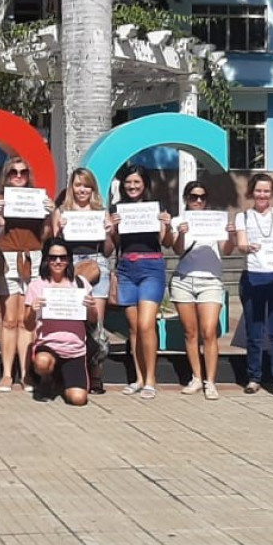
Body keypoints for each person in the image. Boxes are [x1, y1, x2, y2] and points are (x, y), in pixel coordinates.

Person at [108, 166, 173, 399]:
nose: (132, 187)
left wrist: (167, 224)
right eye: (128, 183)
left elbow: (166, 242)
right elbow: (112, 245)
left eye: (136, 182)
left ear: (144, 183)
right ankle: (138, 377)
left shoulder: (157, 207)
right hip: (126, 268)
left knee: (147, 324)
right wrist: (111, 229)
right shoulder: (117, 209)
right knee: (134, 328)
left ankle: (151, 380)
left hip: (151, 267)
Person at [232, 173, 273, 400]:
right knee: (255, 331)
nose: (262, 195)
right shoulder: (244, 217)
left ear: (272, 193)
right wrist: (247, 246)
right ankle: (254, 378)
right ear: (252, 192)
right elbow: (240, 244)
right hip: (254, 276)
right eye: (258, 190)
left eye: (266, 191)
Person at [0, 156, 53, 392]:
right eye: (13, 172)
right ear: (6, 176)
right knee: (9, 320)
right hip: (6, 259)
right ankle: (7, 374)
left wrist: (49, 214)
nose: (18, 176)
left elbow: (47, 235)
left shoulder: (38, 199)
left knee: (28, 320)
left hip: (33, 258)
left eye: (23, 172)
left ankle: (26, 375)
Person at [48, 168, 110, 394]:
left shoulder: (101, 212)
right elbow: (54, 245)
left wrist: (110, 232)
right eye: (78, 185)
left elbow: (109, 249)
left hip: (97, 263)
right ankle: (70, 373)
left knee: (96, 322)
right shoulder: (62, 211)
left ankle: (96, 374)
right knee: (71, 320)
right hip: (70, 264)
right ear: (71, 187)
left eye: (86, 185)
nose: (82, 189)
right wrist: (60, 230)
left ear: (92, 188)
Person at [170, 178, 232, 399]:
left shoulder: (215, 220)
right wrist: (182, 233)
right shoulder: (179, 220)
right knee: (190, 332)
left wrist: (230, 234)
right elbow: (177, 250)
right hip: (184, 280)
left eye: (201, 197)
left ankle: (211, 381)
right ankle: (196, 377)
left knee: (209, 331)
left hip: (211, 280)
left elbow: (227, 249)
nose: (197, 201)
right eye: (193, 197)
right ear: (186, 199)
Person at [24, 240, 92, 406]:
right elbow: (27, 325)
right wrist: (32, 310)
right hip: (48, 346)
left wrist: (92, 308)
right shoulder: (37, 285)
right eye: (53, 257)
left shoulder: (80, 283)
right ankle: (46, 378)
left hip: (75, 350)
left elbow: (94, 320)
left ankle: (62, 380)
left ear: (69, 259)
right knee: (42, 362)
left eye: (62, 257)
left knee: (78, 399)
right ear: (46, 259)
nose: (58, 262)